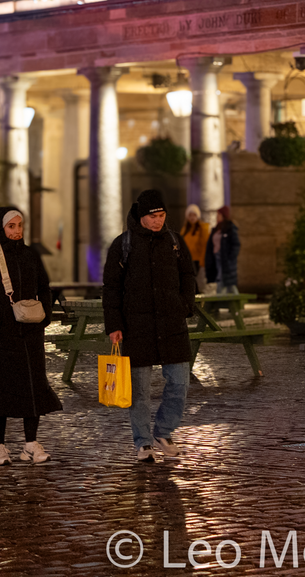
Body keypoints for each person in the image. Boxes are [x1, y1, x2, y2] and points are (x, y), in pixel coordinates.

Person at [103, 188, 199, 464]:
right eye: (153, 216)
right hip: (137, 327)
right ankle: (143, 443)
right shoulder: (123, 244)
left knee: (180, 382)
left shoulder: (174, 241)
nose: (158, 220)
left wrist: (185, 306)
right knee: (139, 390)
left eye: (162, 215)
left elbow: (187, 276)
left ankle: (163, 431)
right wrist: (114, 325)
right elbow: (111, 288)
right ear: (141, 216)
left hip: (172, 324)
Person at [0, 205, 60, 464]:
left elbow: (45, 287)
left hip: (29, 333)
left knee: (32, 386)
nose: (17, 231)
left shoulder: (31, 255)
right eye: (12, 226)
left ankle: (30, 443)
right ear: (1, 227)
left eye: (20, 226)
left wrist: (43, 318)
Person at [207, 206, 241, 294]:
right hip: (216, 259)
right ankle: (235, 301)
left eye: (218, 215)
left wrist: (230, 258)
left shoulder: (230, 228)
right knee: (227, 284)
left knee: (222, 281)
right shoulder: (216, 229)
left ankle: (219, 302)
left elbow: (236, 245)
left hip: (225, 261)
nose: (216, 217)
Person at [179, 205, 212, 294]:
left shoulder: (202, 228)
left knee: (200, 286)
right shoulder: (185, 229)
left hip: (199, 261)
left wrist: (203, 262)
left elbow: (205, 246)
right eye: (190, 215)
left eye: (194, 215)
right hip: (188, 260)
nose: (192, 217)